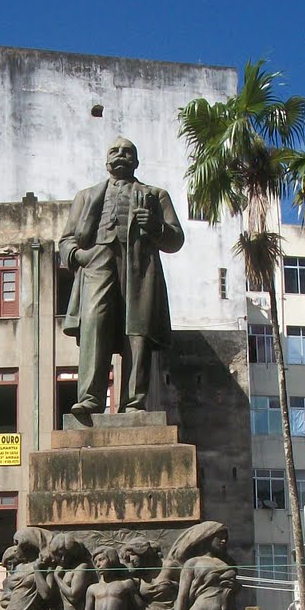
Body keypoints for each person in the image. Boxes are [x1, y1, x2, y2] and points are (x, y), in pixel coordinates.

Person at [58, 137, 184, 417]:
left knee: (137, 331)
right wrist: (80, 256)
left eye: (128, 152)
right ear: (106, 161)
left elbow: (176, 239)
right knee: (95, 325)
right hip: (97, 262)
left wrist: (155, 226)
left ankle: (134, 402)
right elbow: (66, 241)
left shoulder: (156, 194)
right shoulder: (86, 196)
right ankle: (90, 398)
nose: (121, 156)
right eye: (114, 151)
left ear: (136, 162)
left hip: (140, 265)